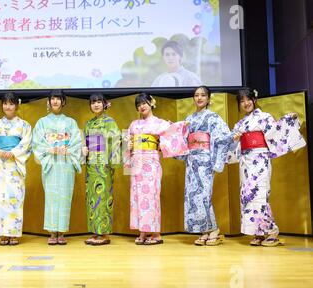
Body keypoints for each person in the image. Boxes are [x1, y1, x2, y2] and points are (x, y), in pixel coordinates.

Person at [228, 88, 306, 246]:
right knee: (247, 195)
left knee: (259, 194)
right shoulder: (240, 124)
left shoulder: (264, 117)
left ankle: (271, 231)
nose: (245, 103)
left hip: (260, 159)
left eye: (248, 99)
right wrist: (234, 138)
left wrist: (287, 120)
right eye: (241, 101)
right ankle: (259, 232)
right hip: (245, 162)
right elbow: (231, 144)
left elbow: (276, 133)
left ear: (254, 100)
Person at [125, 93, 189, 245]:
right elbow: (126, 142)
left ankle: (156, 233)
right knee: (137, 196)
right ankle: (143, 230)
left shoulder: (160, 123)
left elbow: (173, 133)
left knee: (151, 196)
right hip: (136, 162)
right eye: (139, 104)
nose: (142, 106)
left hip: (150, 162)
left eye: (144, 103)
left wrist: (162, 144)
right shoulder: (134, 124)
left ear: (151, 103)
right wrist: (127, 146)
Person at [176, 86, 232, 245]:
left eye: (203, 95)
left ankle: (214, 229)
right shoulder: (190, 118)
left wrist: (215, 159)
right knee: (193, 196)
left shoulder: (213, 117)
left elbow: (222, 138)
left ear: (208, 98)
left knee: (204, 195)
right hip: (192, 161)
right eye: (196, 95)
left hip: (206, 160)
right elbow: (182, 140)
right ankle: (205, 230)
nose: (199, 98)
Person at [32, 90, 82, 245]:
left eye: (58, 99)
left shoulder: (71, 122)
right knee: (51, 196)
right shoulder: (42, 122)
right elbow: (37, 142)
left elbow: (77, 141)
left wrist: (69, 150)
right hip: (51, 162)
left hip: (66, 162)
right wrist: (49, 149)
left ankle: (62, 232)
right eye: (52, 98)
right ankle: (52, 232)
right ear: (49, 101)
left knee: (65, 196)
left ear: (63, 102)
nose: (55, 101)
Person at [0, 93, 32, 246]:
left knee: (16, 197)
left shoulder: (24, 125)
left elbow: (27, 144)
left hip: (14, 165)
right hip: (0, 164)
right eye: (5, 103)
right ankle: (2, 233)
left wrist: (14, 152)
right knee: (0, 198)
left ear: (17, 105)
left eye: (11, 104)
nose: (8, 106)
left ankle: (14, 233)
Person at [82, 93, 122, 246]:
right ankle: (95, 231)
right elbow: (85, 141)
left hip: (104, 164)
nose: (96, 105)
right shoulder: (89, 123)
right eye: (93, 102)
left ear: (105, 104)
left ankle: (104, 233)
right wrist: (83, 150)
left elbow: (115, 141)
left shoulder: (110, 122)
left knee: (103, 196)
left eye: (99, 102)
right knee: (92, 197)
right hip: (92, 164)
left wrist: (112, 163)